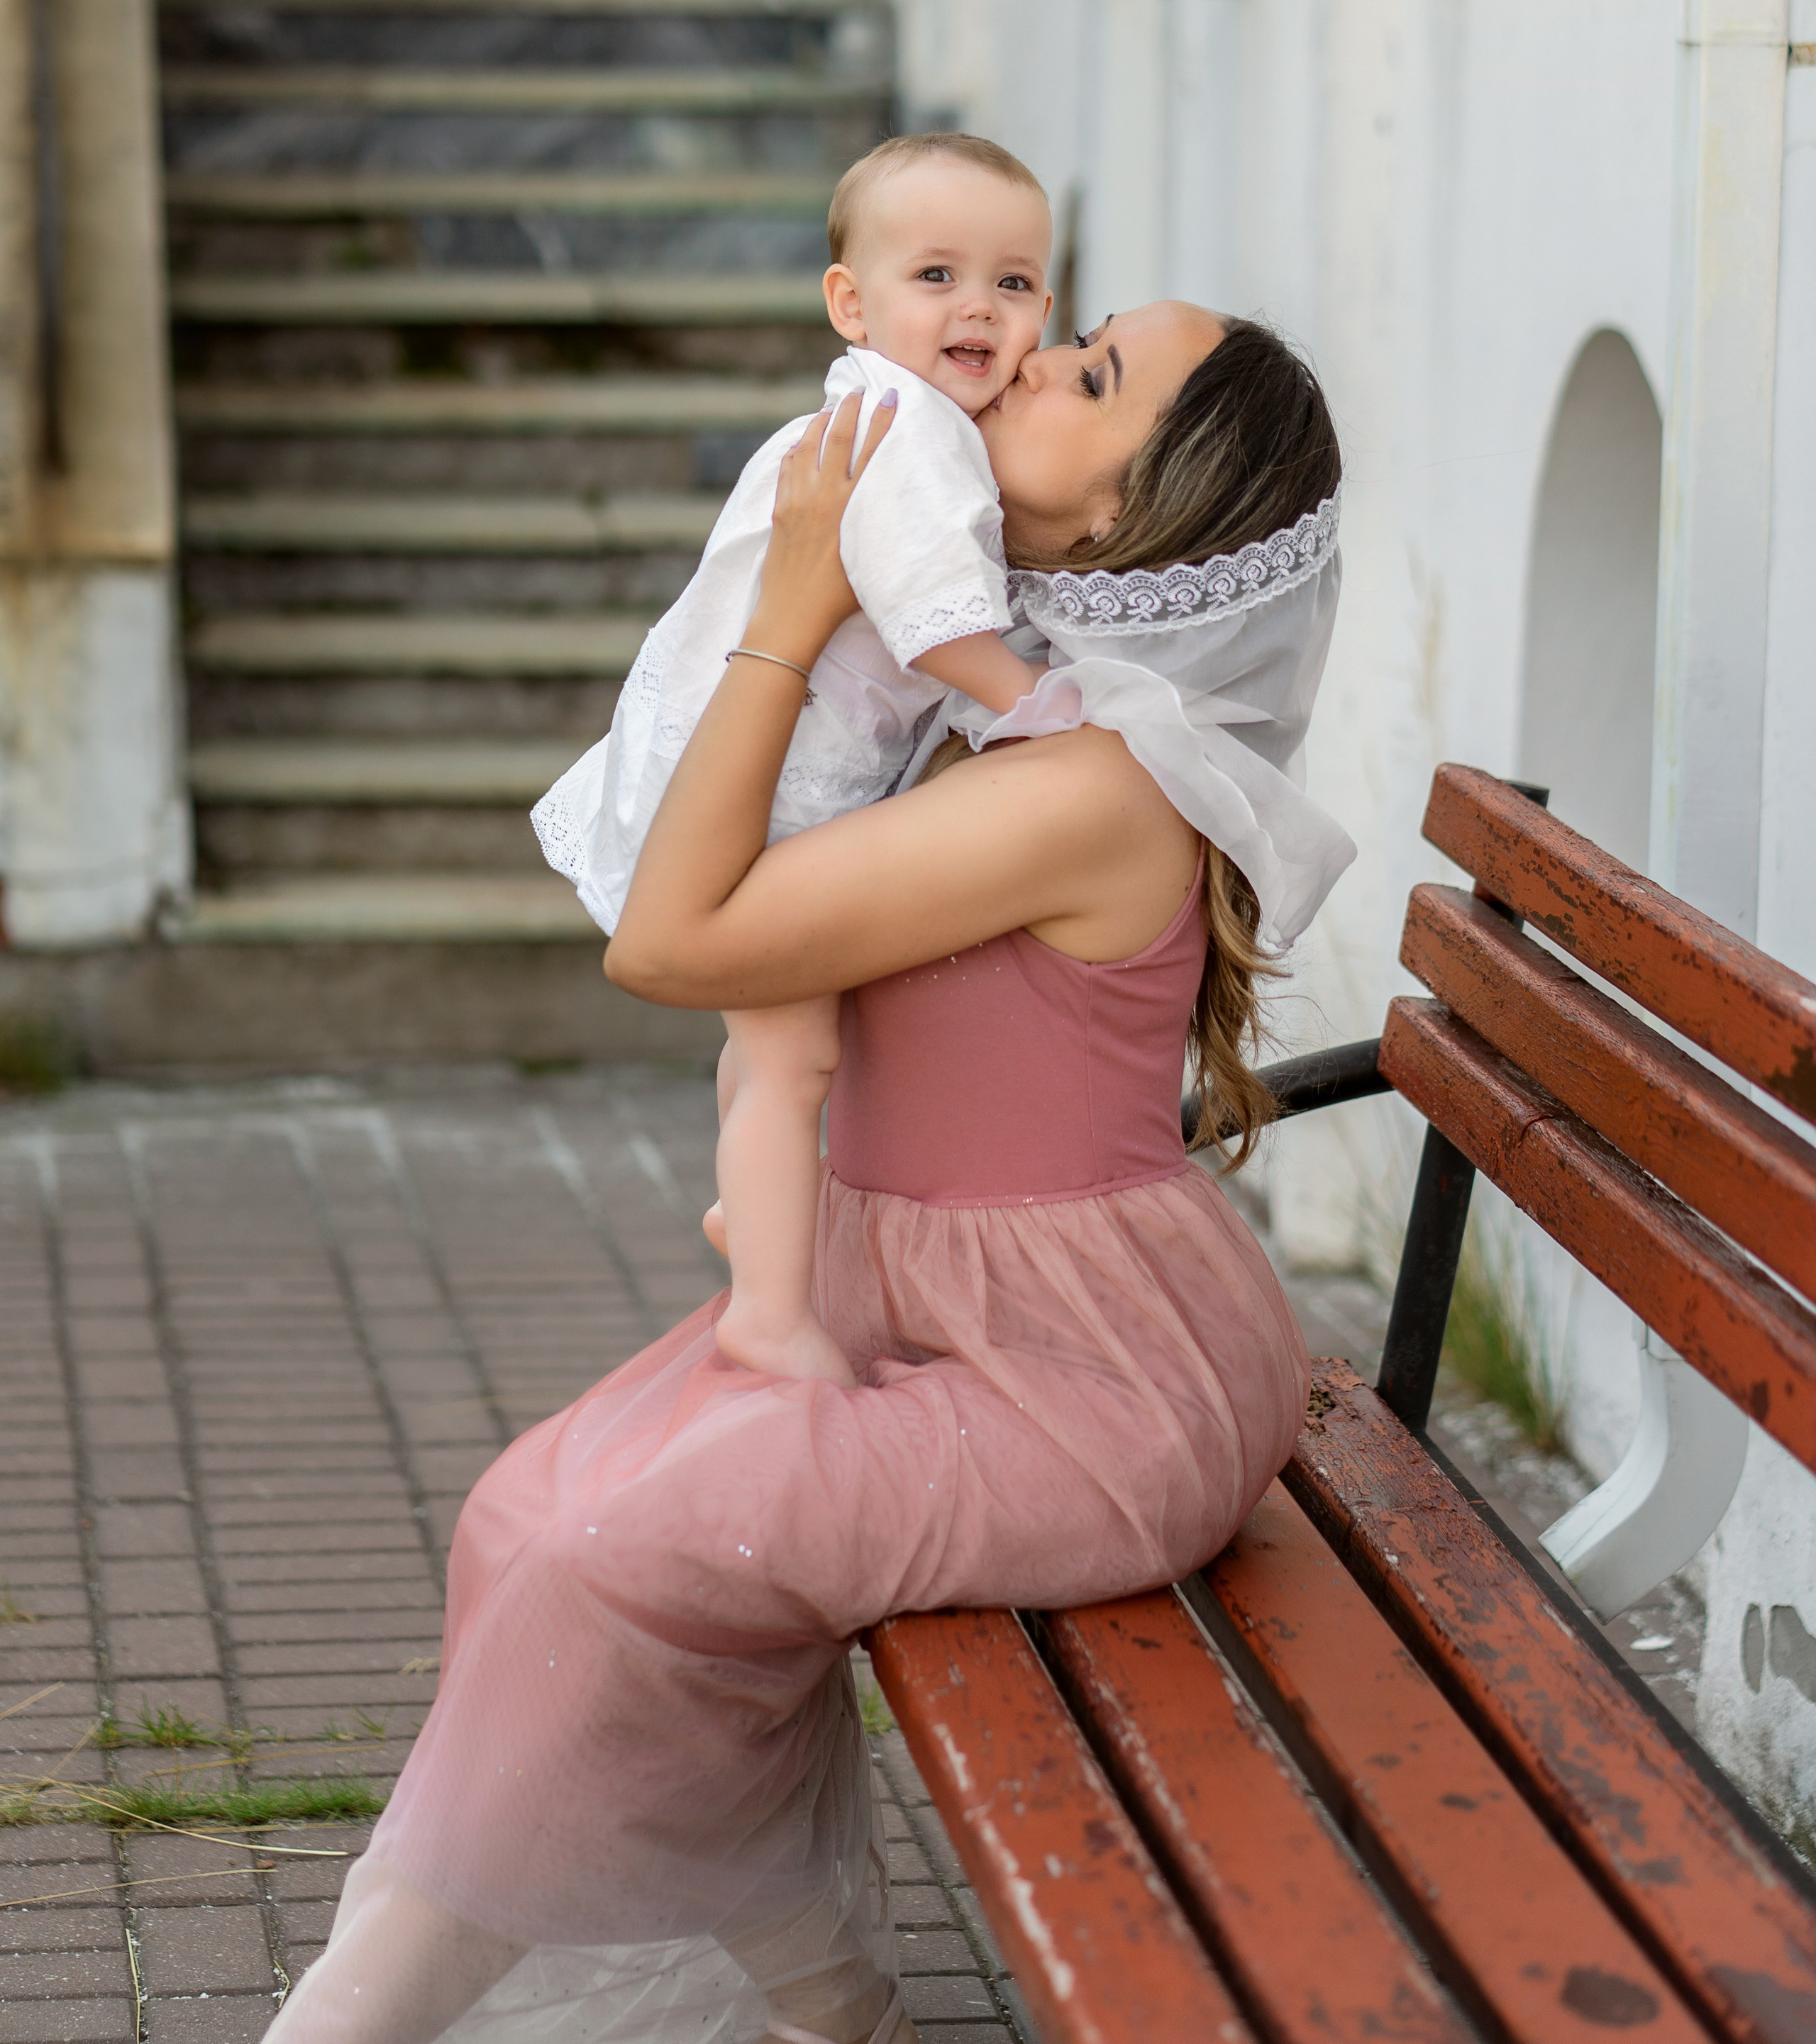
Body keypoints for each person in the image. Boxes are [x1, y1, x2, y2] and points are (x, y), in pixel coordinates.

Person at [270, 303, 1353, 2044]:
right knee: (523, 1520)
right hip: (932, 1312)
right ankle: (815, 1974)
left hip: (1086, 1378)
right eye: (1067, 333)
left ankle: (351, 2016)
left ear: (1135, 517)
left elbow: (674, 941)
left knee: (618, 1547)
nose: (1027, 359)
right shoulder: (974, 701)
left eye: (1089, 377)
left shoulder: (1085, 782)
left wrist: (786, 612)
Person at [533, 133, 1054, 1385]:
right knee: (792, 1060)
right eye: (937, 275)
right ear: (851, 302)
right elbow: (940, 624)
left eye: (1019, 282)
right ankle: (768, 1310)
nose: (980, 305)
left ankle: (744, 1205)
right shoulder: (911, 429)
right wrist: (1041, 705)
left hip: (747, 763)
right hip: (774, 794)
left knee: (765, 1052)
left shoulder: (891, 415)